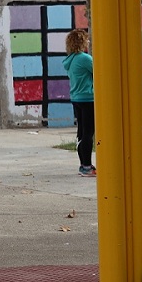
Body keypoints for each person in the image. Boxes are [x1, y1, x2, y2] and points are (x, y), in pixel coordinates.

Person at [63, 29, 96, 177]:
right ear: (81, 42)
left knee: (81, 133)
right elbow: (100, 71)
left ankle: (83, 164)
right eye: (86, 40)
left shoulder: (70, 60)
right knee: (88, 133)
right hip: (88, 99)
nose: (88, 42)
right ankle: (87, 166)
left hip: (76, 98)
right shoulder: (84, 58)